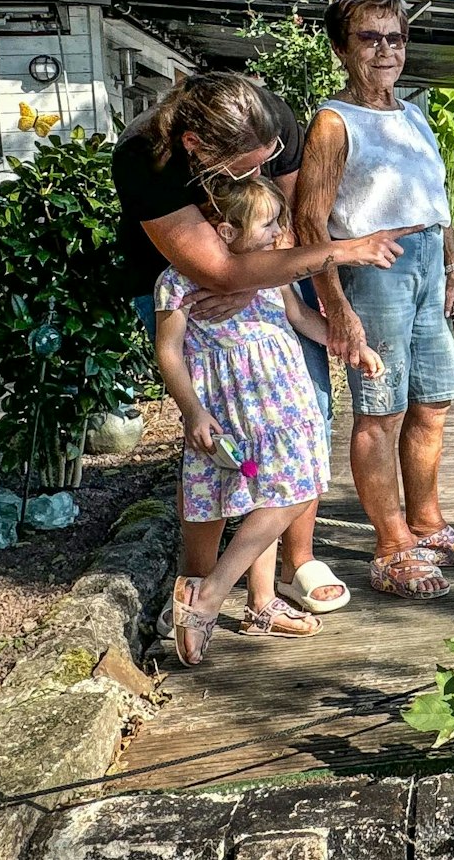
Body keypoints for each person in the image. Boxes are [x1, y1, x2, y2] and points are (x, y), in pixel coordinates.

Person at [113, 71, 420, 617]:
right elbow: (215, 272)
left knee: (303, 427)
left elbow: (290, 223)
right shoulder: (147, 156)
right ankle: (197, 586)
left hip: (268, 281)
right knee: (216, 455)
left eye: (268, 158)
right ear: (196, 148)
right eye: (247, 166)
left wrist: (273, 287)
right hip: (183, 294)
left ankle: (291, 568)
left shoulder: (270, 117)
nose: (261, 171)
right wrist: (246, 275)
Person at [294, 0, 454, 600]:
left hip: (428, 261)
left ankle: (427, 523)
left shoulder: (416, 115)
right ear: (341, 47)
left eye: (396, 38)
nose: (386, 50)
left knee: (433, 402)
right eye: (369, 38)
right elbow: (308, 222)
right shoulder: (332, 122)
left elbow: (436, 204)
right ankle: (391, 542)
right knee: (381, 409)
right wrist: (337, 306)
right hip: (373, 268)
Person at [154, 177, 383, 663]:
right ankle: (210, 592)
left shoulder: (272, 274)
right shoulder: (176, 282)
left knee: (280, 494)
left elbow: (302, 319)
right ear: (225, 232)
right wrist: (191, 409)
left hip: (286, 412)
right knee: (286, 493)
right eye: (269, 223)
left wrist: (350, 347)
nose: (280, 232)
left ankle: (260, 604)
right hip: (232, 413)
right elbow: (168, 352)